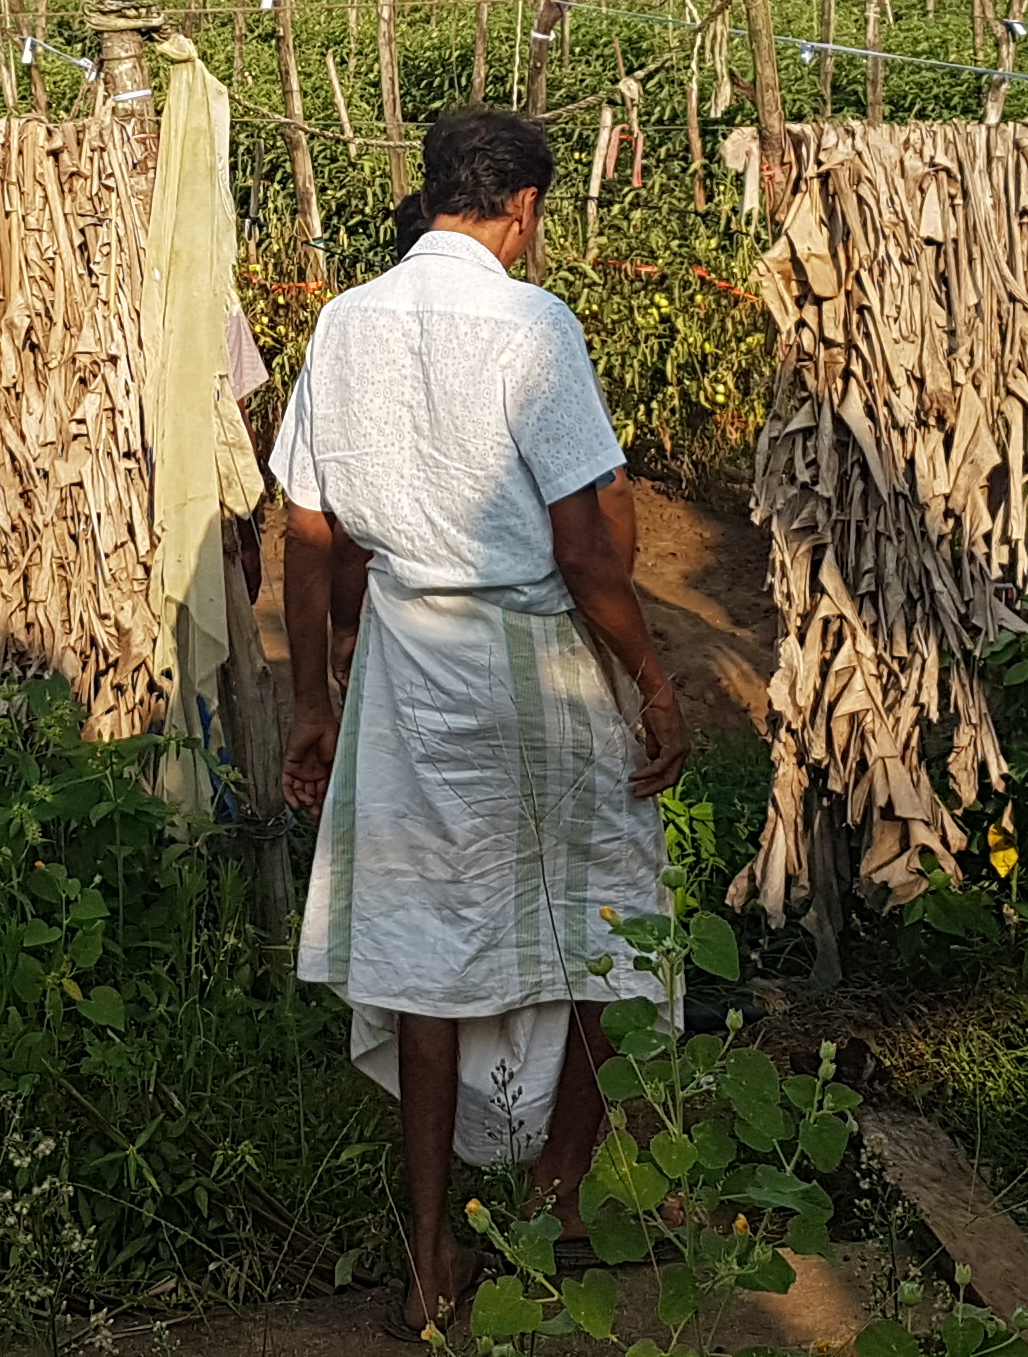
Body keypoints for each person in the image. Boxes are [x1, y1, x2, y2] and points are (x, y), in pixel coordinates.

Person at [272, 109, 689, 1336]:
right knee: (616, 905)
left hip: (408, 663)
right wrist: (654, 683)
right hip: (534, 662)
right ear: (520, 208)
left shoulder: (346, 323)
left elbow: (308, 534)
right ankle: (560, 1184)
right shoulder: (531, 324)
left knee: (422, 956)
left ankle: (429, 1254)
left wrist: (311, 702)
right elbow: (586, 553)